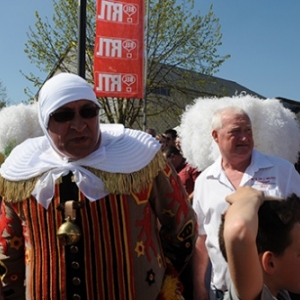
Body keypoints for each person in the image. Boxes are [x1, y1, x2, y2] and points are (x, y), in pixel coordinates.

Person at [0, 72, 197, 300]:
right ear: (45, 121)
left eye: (88, 112)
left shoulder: (142, 158)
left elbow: (183, 228)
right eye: (63, 115)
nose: (78, 125)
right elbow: (8, 249)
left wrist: (158, 278)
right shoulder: (20, 171)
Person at [192, 106, 300, 300]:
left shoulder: (282, 170)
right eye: (236, 131)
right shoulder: (204, 181)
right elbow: (202, 240)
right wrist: (200, 288)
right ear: (216, 136)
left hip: (273, 293)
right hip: (220, 291)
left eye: (248, 130)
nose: (244, 137)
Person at [219, 186, 300, 300]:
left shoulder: (280, 293)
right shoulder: (253, 296)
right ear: (270, 263)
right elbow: (239, 232)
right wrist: (249, 197)